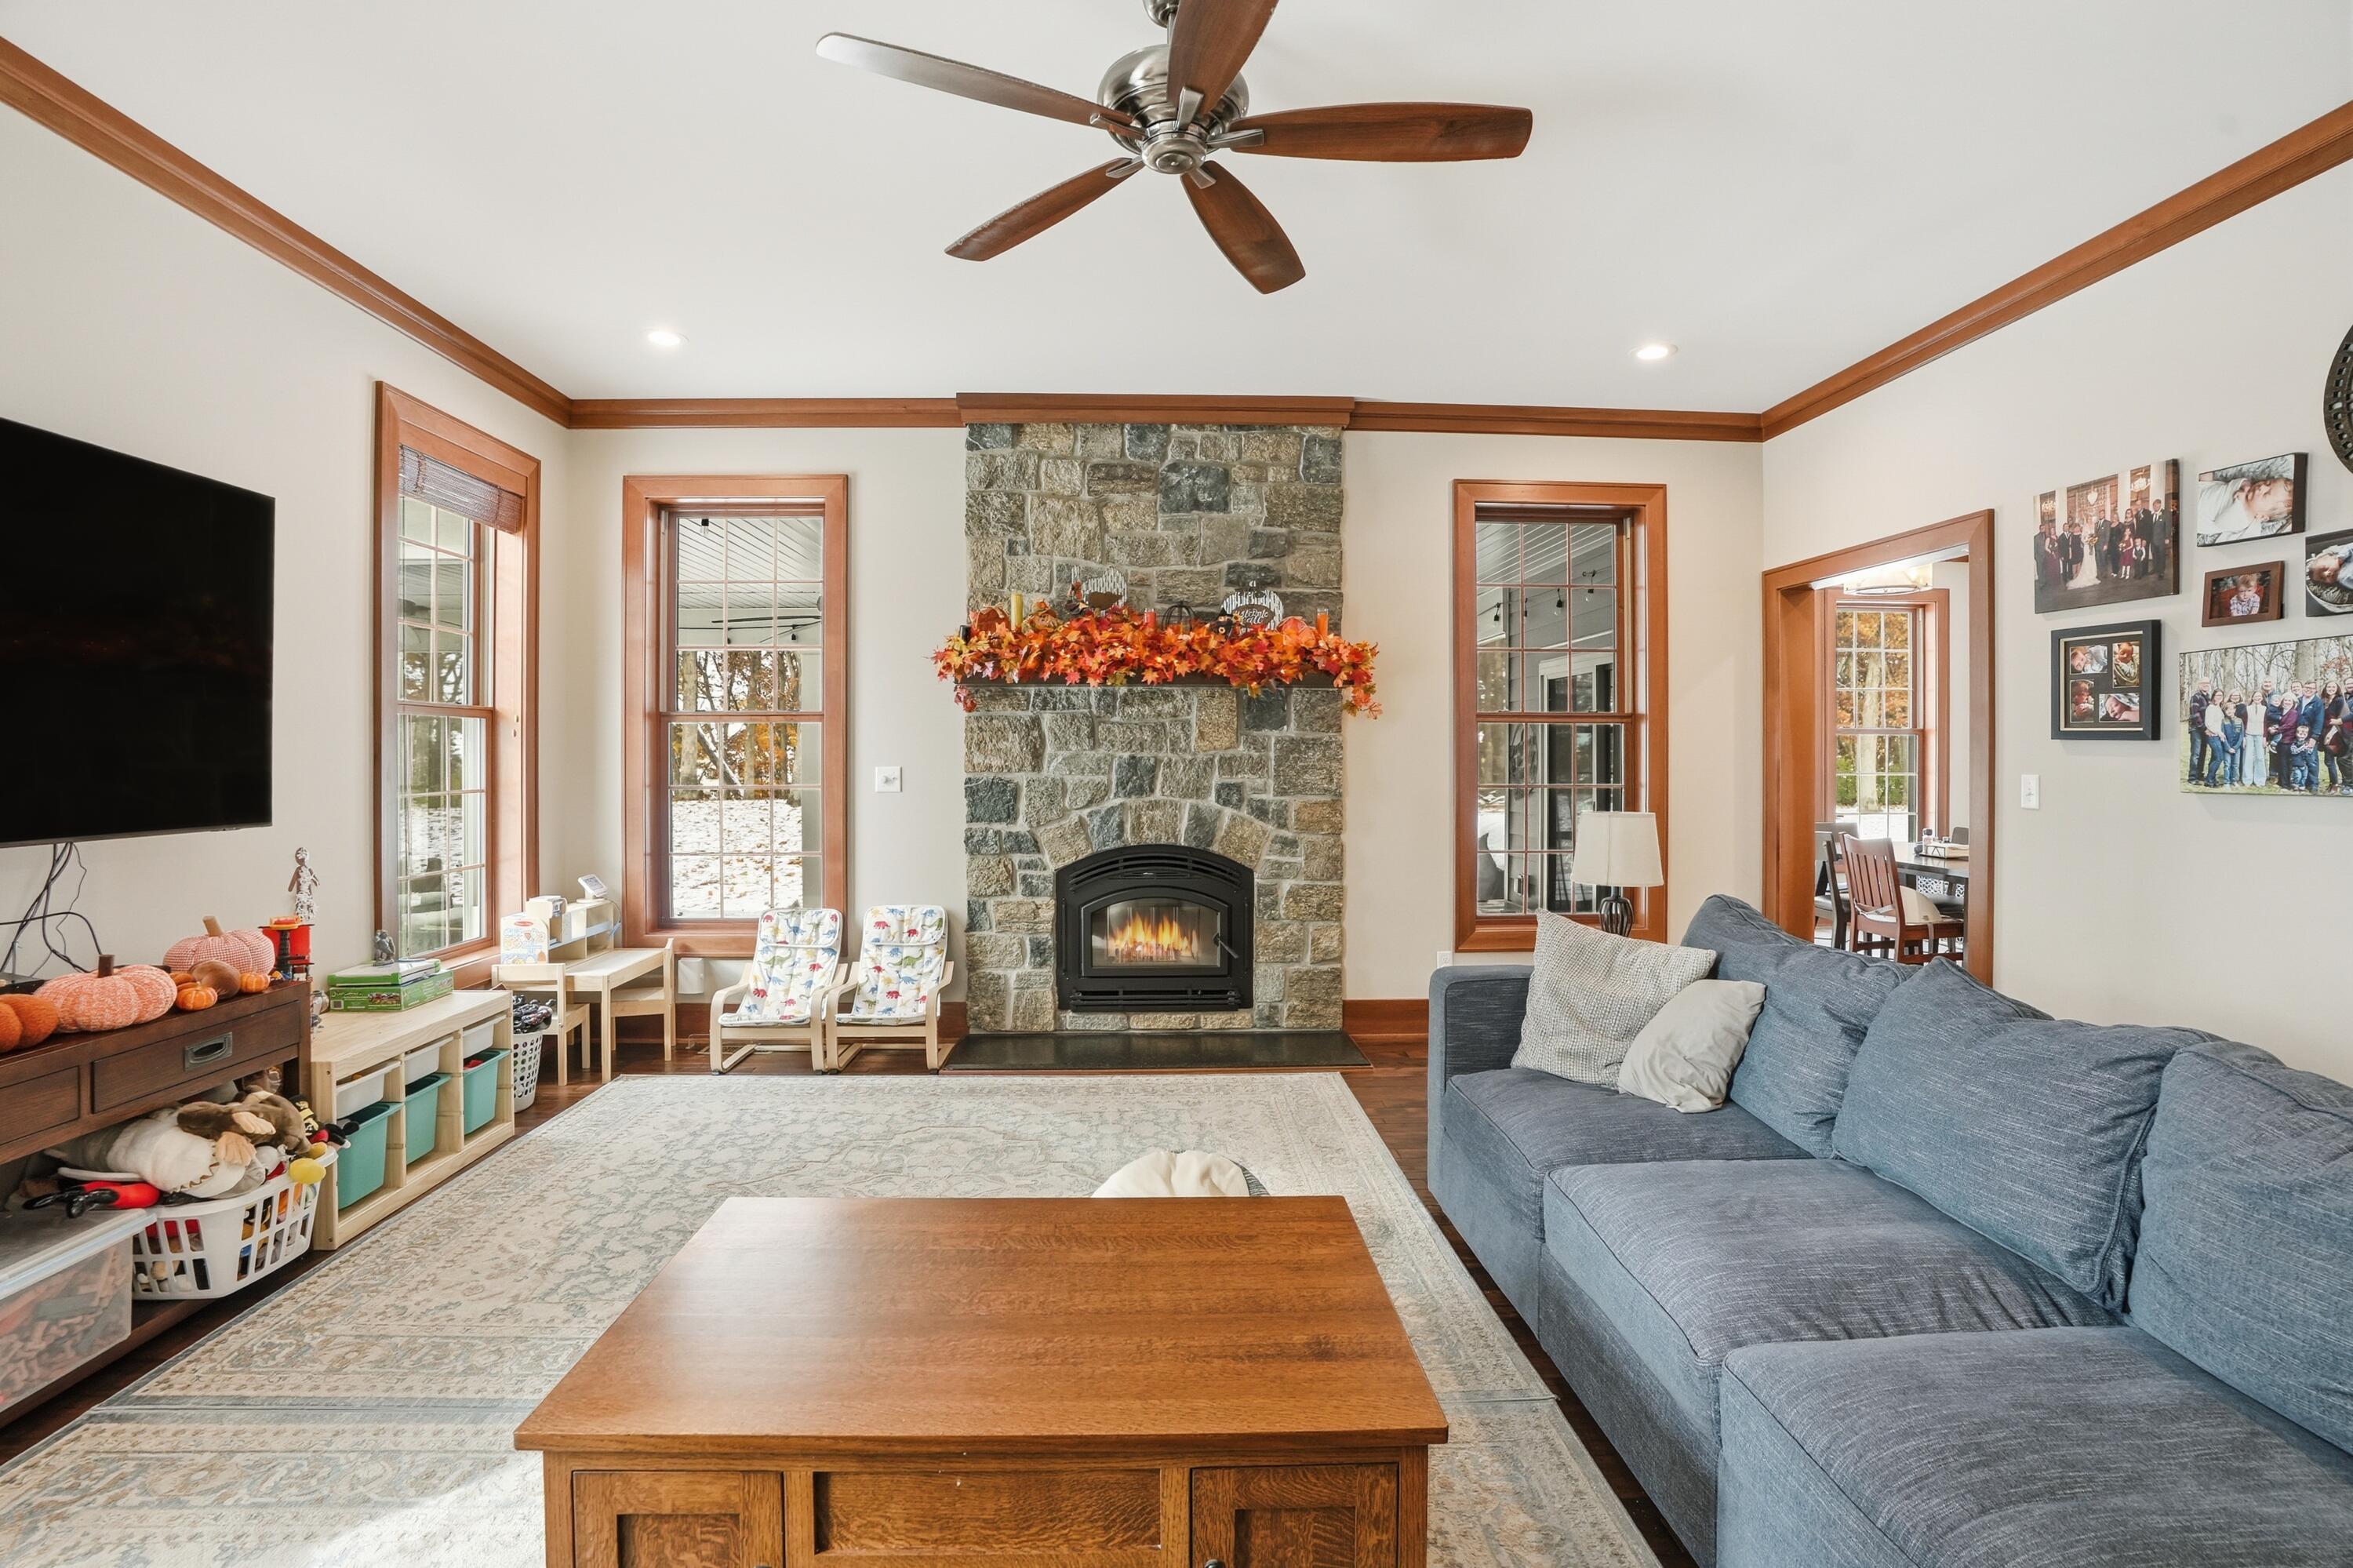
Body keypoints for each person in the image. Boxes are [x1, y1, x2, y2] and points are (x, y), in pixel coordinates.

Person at [2198, 456, 2299, 544]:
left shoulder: (2244, 519)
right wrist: (2244, 485)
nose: (2262, 487)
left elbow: (2221, 523)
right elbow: (2237, 481)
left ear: (2262, 516)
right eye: (2267, 483)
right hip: (2202, 488)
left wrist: (2239, 503)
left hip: (2198, 514)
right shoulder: (2247, 487)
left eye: (2266, 494)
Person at [2309, 538, 2353, 614]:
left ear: (2331, 556)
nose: (2327, 574)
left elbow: (2350, 547)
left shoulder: (2344, 553)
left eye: (2325, 568)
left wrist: (2341, 558)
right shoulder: (2344, 579)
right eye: (2323, 579)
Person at [2242, 686, 2272, 788]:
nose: (2257, 698)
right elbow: (2244, 724)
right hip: (2249, 735)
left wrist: (2265, 737)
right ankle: (2247, 780)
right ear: (2252, 698)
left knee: (2260, 758)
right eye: (2255, 696)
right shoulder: (2247, 709)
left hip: (2260, 736)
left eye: (2259, 696)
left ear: (2262, 698)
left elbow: (2266, 725)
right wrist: (2244, 737)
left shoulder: (2265, 709)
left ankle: (2260, 780)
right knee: (2248, 757)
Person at [2188, 678, 2213, 783]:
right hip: (2196, 729)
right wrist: (2204, 728)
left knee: (2203, 752)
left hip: (2205, 729)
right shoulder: (2196, 697)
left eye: (2207, 683)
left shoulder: (2208, 698)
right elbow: (2195, 715)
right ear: (2199, 685)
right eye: (2203, 683)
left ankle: (2199, 774)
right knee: (2196, 753)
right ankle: (2192, 777)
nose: (2206, 685)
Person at [2215, 693, 2242, 788]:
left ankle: (2234, 781)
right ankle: (2226, 782)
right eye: (2227, 710)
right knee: (2227, 764)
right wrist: (2228, 748)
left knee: (2235, 765)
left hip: (2236, 748)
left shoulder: (2240, 721)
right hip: (2227, 747)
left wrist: (2236, 747)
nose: (2230, 711)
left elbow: (2241, 736)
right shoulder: (2223, 721)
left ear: (2235, 710)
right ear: (2225, 711)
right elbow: (2223, 736)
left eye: (2232, 709)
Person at [2290, 723, 2320, 793]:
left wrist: (2309, 748)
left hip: (2304, 763)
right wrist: (2302, 747)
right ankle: (2295, 786)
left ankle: (2302, 786)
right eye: (2300, 734)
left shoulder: (2306, 743)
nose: (2302, 736)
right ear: (2296, 734)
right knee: (2297, 775)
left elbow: (2309, 752)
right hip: (2296, 763)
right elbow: (2294, 751)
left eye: (2304, 735)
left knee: (2304, 776)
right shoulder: (2294, 743)